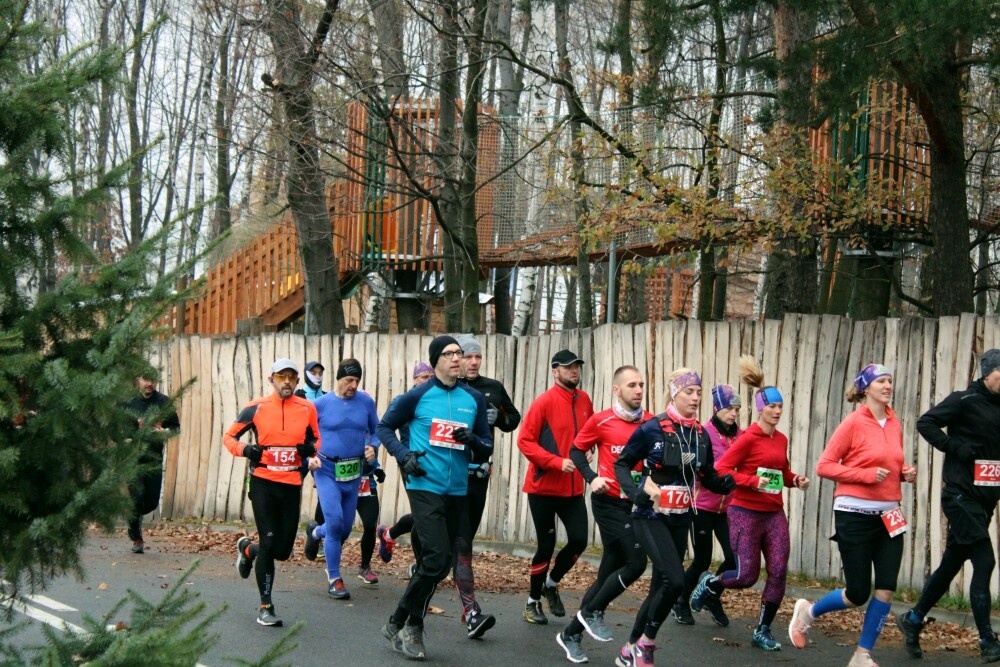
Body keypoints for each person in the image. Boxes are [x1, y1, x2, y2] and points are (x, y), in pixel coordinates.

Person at [787, 364, 917, 667]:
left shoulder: (894, 423)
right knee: (858, 592)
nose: (887, 386)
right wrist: (865, 475)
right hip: (854, 515)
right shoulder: (853, 422)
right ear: (865, 388)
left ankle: (861, 655)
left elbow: (890, 463)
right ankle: (809, 612)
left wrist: (904, 473)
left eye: (890, 381)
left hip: (890, 516)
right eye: (881, 381)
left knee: (886, 588)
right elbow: (825, 466)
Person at [376, 336, 493, 660]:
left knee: (433, 563)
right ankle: (401, 621)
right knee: (440, 559)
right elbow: (384, 427)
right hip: (424, 485)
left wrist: (472, 439)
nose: (457, 358)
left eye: (459, 353)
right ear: (436, 360)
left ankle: (407, 626)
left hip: (458, 490)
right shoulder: (417, 396)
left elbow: (487, 444)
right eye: (449, 354)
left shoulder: (473, 400)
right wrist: (402, 455)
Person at [611, 369, 735, 667]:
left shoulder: (700, 434)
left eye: (698, 392)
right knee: (676, 581)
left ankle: (629, 649)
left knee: (661, 587)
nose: (695, 398)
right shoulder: (652, 428)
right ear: (674, 394)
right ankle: (647, 643)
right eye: (688, 392)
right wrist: (633, 491)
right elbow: (623, 463)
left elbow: (705, 475)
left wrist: (722, 483)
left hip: (680, 518)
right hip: (650, 515)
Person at [690, 355, 810, 652]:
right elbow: (722, 470)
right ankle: (710, 584)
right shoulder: (748, 438)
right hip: (744, 512)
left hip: (774, 513)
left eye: (780, 406)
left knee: (779, 570)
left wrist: (795, 480)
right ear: (761, 409)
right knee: (746, 575)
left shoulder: (780, 439)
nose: (777, 411)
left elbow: (781, 472)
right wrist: (752, 482)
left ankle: (762, 629)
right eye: (772, 406)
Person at [895, 349, 1000, 662]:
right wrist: (956, 447)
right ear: (989, 373)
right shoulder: (963, 400)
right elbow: (925, 423)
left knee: (953, 562)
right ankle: (987, 641)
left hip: (984, 501)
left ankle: (913, 620)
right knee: (985, 560)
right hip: (959, 496)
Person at [555, 365, 652, 664]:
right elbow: (574, 451)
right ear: (616, 390)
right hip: (608, 502)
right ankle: (591, 613)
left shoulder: (650, 422)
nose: (638, 390)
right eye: (632, 385)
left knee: (608, 572)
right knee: (635, 562)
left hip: (637, 503)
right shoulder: (601, 421)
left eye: (641, 385)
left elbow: (653, 459)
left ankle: (571, 633)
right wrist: (591, 476)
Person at [224, 358, 320, 627]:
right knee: (269, 542)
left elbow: (316, 438)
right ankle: (266, 606)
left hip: (290, 483)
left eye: (291, 377)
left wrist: (309, 449)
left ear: (297, 381)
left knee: (283, 550)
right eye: (281, 377)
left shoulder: (307, 408)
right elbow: (229, 438)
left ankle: (247, 551)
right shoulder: (256, 408)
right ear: (271, 380)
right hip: (263, 482)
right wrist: (246, 450)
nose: (287, 381)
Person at [517, 349, 594, 625]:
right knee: (546, 545)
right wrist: (555, 462)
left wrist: (589, 450)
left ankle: (552, 583)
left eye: (577, 366)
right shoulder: (544, 402)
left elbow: (590, 434)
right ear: (555, 371)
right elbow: (524, 441)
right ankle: (532, 602)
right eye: (568, 367)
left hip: (573, 489)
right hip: (543, 488)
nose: (574, 371)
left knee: (579, 541)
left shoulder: (584, 400)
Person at [303, 359, 380, 601]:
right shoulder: (320, 405)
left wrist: (373, 448)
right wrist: (310, 458)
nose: (353, 385)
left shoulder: (365, 402)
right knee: (335, 523)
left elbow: (376, 431)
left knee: (345, 529)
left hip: (353, 472)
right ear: (338, 379)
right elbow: (304, 438)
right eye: (349, 380)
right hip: (326, 470)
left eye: (357, 380)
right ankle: (334, 579)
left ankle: (315, 534)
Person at [673, 384, 742, 626]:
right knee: (702, 559)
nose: (733, 414)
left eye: (737, 409)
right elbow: (701, 470)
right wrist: (722, 481)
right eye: (729, 409)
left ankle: (712, 594)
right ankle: (680, 601)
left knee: (736, 558)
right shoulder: (703, 433)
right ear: (716, 408)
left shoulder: (741, 436)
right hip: (701, 506)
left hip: (728, 510)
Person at [376, 361, 434, 566]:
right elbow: (384, 428)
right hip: (411, 463)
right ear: (415, 379)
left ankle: (389, 534)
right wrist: (404, 455)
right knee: (423, 515)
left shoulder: (436, 401)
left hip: (434, 461)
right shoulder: (405, 401)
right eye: (423, 377)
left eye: (431, 376)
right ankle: (421, 565)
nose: (428, 381)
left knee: (431, 514)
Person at [125, 373, 180, 554]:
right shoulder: (129, 402)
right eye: (145, 380)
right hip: (133, 458)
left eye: (152, 380)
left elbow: (175, 427)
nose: (149, 384)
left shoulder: (163, 402)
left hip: (154, 458)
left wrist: (165, 431)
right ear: (138, 380)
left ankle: (136, 518)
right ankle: (136, 537)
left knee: (151, 503)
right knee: (136, 499)